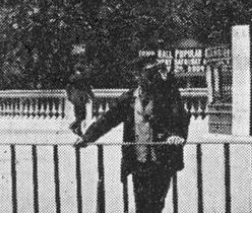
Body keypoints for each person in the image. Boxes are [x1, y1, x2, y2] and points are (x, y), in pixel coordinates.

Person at [77, 55, 190, 213]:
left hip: (162, 161)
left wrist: (177, 136)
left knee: (156, 206)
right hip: (138, 163)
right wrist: (86, 138)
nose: (156, 77)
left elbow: (181, 118)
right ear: (138, 75)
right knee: (141, 207)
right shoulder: (129, 99)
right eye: (150, 73)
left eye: (158, 72)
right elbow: (107, 119)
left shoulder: (169, 95)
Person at [66, 63, 94, 137]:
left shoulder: (76, 77)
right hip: (79, 98)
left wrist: (70, 96)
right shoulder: (78, 77)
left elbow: (69, 87)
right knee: (80, 115)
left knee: (81, 115)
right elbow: (86, 88)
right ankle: (74, 127)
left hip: (79, 98)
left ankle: (78, 130)